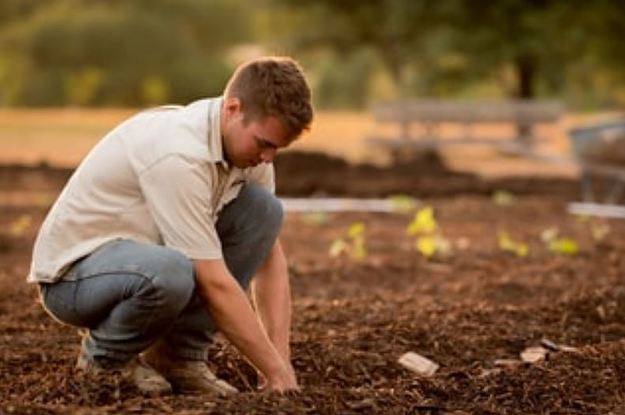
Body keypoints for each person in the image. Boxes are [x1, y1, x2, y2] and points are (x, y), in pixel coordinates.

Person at [27, 56, 313, 396]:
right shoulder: (180, 155)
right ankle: (106, 362)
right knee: (172, 271)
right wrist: (273, 369)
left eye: (277, 148)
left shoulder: (249, 154)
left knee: (264, 211)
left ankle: (178, 357)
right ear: (233, 109)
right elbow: (213, 282)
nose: (268, 158)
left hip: (144, 261)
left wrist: (280, 363)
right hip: (73, 277)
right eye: (264, 143)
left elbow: (268, 257)